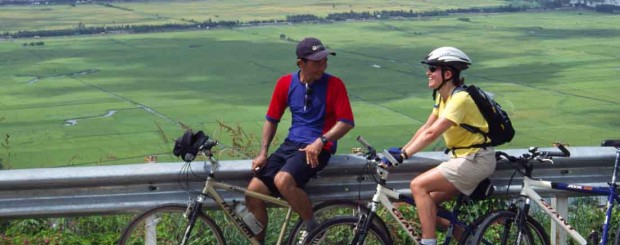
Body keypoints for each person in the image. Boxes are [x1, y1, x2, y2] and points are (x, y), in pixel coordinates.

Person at [382, 47, 496, 245]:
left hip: (475, 160)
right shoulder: (442, 96)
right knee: (428, 205)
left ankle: (428, 243)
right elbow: (426, 127)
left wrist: (404, 155)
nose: (428, 72)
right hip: (463, 159)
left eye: (432, 68)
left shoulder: (460, 99)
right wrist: (402, 151)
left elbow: (432, 133)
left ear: (448, 73)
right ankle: (470, 240)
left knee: (418, 186)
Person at [245, 37, 355, 243]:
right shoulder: (285, 83)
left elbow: (346, 122)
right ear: (301, 63)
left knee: (283, 180)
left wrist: (321, 140)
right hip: (291, 145)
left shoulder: (334, 84)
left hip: (318, 148)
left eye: (324, 60)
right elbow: (271, 119)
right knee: (253, 193)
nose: (322, 66)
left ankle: (314, 229)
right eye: (316, 62)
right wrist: (262, 153)